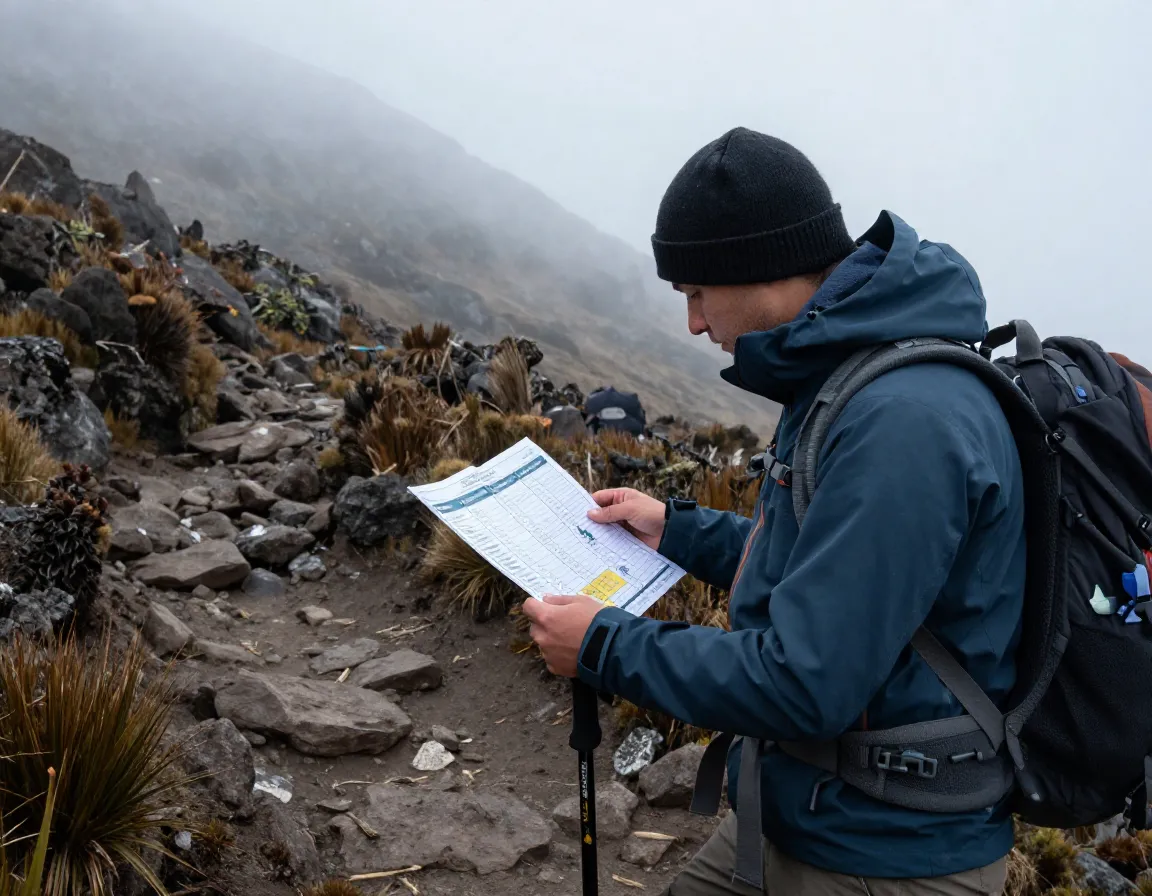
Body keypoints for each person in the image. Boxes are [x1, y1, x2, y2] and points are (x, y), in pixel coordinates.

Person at [522, 126, 1025, 895]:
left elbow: (805, 682)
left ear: (756, 267)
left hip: (886, 856)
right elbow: (821, 559)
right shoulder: (843, 371)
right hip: (806, 811)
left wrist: (603, 647)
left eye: (696, 293)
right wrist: (679, 529)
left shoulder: (904, 422)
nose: (693, 324)